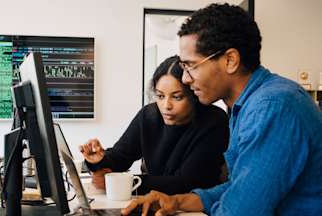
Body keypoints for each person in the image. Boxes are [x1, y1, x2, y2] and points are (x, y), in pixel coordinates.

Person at [121, 3, 322, 216]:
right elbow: (238, 189)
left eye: (191, 66)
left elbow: (241, 211)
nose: (186, 79)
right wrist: (175, 201)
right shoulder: (246, 107)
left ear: (230, 60)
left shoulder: (273, 107)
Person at [80, 55, 229, 195]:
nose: (166, 106)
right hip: (156, 203)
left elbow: (187, 182)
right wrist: (99, 160)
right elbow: (121, 156)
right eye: (160, 96)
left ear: (193, 95)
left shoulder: (214, 121)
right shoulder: (149, 115)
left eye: (177, 97)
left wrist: (124, 183)